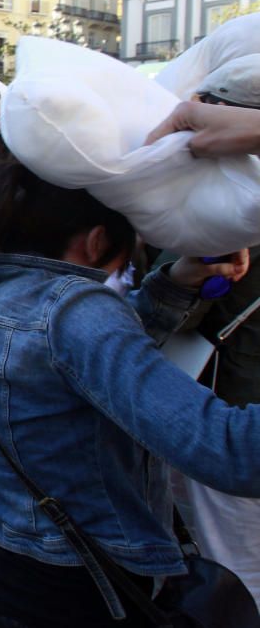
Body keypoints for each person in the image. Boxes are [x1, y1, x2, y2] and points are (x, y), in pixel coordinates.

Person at [0, 158, 259, 627]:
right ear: (98, 240)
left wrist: (172, 283)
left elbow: (81, 359)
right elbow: (229, 451)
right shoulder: (75, 309)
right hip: (68, 584)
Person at [176, 55, 260, 606]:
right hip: (235, 412)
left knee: (235, 573)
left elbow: (169, 313)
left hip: (227, 417)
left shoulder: (218, 208)